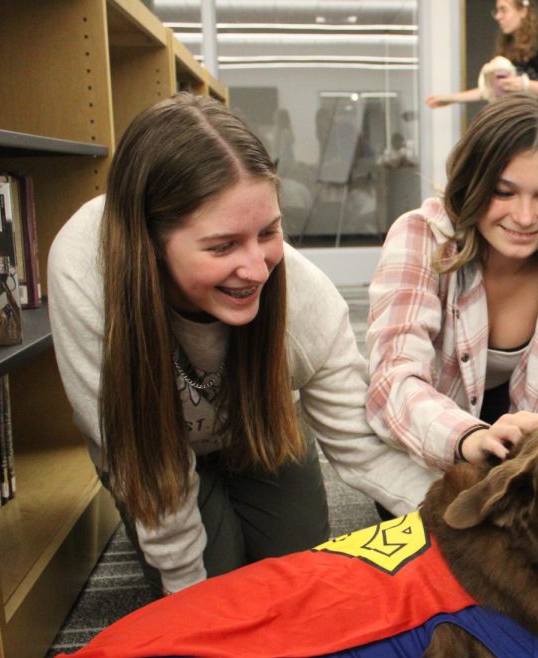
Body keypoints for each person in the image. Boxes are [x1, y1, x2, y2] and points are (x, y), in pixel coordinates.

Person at [49, 93, 434, 596]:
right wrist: (192, 606)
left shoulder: (304, 298)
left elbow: (363, 445)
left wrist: (464, 518)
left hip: (255, 425)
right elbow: (147, 470)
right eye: (222, 245)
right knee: (221, 584)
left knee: (297, 576)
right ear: (150, 242)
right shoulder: (86, 276)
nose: (258, 269)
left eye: (269, 233)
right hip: (150, 452)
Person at [367, 93, 538, 473]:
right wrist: (470, 438)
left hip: (532, 465)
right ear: (473, 182)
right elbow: (392, 382)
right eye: (503, 192)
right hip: (427, 451)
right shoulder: (422, 236)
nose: (525, 217)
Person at [426, 0, 538, 109]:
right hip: (513, 116)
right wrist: (450, 99)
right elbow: (489, 91)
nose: (498, 16)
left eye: (504, 10)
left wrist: (524, 84)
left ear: (523, 11)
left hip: (535, 119)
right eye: (497, 11)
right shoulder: (509, 46)